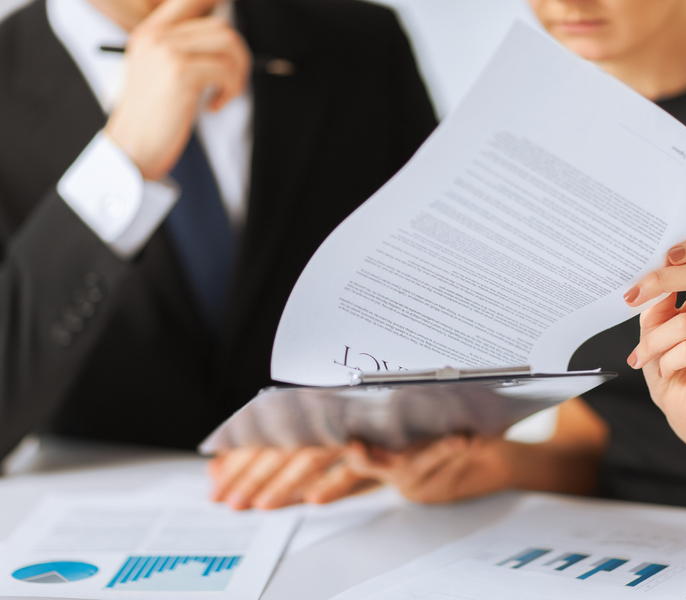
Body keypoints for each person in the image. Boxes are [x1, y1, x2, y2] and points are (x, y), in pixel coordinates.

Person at [330, 0, 686, 525]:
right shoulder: (580, 121)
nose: (564, 5)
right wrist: (498, 464)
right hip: (615, 539)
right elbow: (600, 440)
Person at [0, 0, 437, 506]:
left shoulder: (362, 40)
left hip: (348, 506)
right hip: (100, 525)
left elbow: (439, 297)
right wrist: (123, 160)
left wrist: (375, 431)